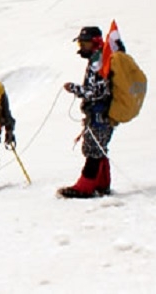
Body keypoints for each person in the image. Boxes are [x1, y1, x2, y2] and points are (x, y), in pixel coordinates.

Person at [59, 26, 115, 198]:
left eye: (85, 43)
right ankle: (102, 183)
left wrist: (74, 89)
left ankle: (85, 187)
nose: (82, 47)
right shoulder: (104, 57)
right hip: (107, 112)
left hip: (100, 112)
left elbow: (96, 91)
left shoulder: (98, 61)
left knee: (92, 148)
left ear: (95, 42)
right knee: (99, 148)